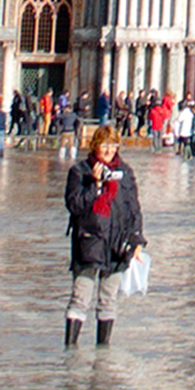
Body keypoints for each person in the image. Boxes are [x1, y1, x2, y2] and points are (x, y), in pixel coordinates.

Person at [62, 128, 144, 347]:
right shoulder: (79, 171)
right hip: (89, 240)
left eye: (113, 145)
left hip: (118, 243)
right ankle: (70, 351)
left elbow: (133, 208)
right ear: (95, 146)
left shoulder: (125, 172)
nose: (109, 150)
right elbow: (74, 205)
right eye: (104, 145)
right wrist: (95, 184)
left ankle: (102, 353)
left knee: (108, 299)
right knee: (80, 297)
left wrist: (137, 240)